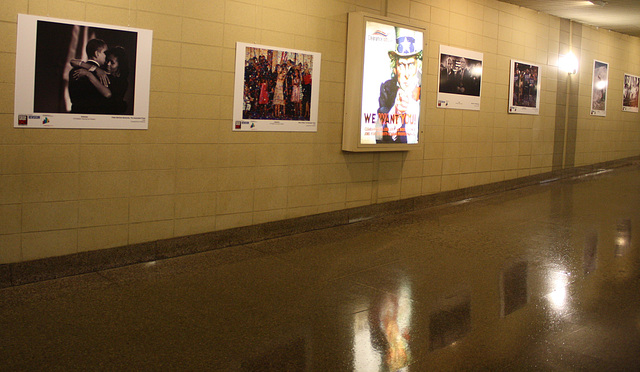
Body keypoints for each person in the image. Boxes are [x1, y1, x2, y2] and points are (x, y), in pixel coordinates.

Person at [376, 29, 422, 144]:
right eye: (401, 65)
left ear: (417, 66)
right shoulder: (387, 89)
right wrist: (396, 112)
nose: (406, 74)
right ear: (395, 69)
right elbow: (380, 137)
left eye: (411, 65)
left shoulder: (424, 90)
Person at [70, 45, 130, 114]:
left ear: (120, 65)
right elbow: (72, 62)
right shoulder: (102, 70)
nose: (108, 64)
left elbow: (107, 94)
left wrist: (89, 75)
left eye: (112, 62)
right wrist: (96, 68)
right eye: (107, 60)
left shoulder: (122, 82)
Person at [68, 38, 108, 114]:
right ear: (97, 53)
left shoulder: (72, 71)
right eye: (105, 52)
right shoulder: (102, 74)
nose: (106, 56)